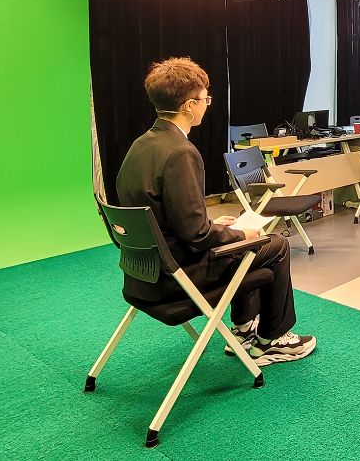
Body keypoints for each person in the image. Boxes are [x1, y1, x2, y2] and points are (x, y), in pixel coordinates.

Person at [116, 57, 316, 366]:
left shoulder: (141, 145)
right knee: (273, 245)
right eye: (205, 99)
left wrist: (213, 224)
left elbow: (164, 214)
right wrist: (239, 233)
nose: (207, 104)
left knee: (243, 247)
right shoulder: (181, 152)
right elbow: (197, 236)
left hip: (143, 274)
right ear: (189, 106)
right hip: (177, 278)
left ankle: (244, 329)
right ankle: (272, 340)